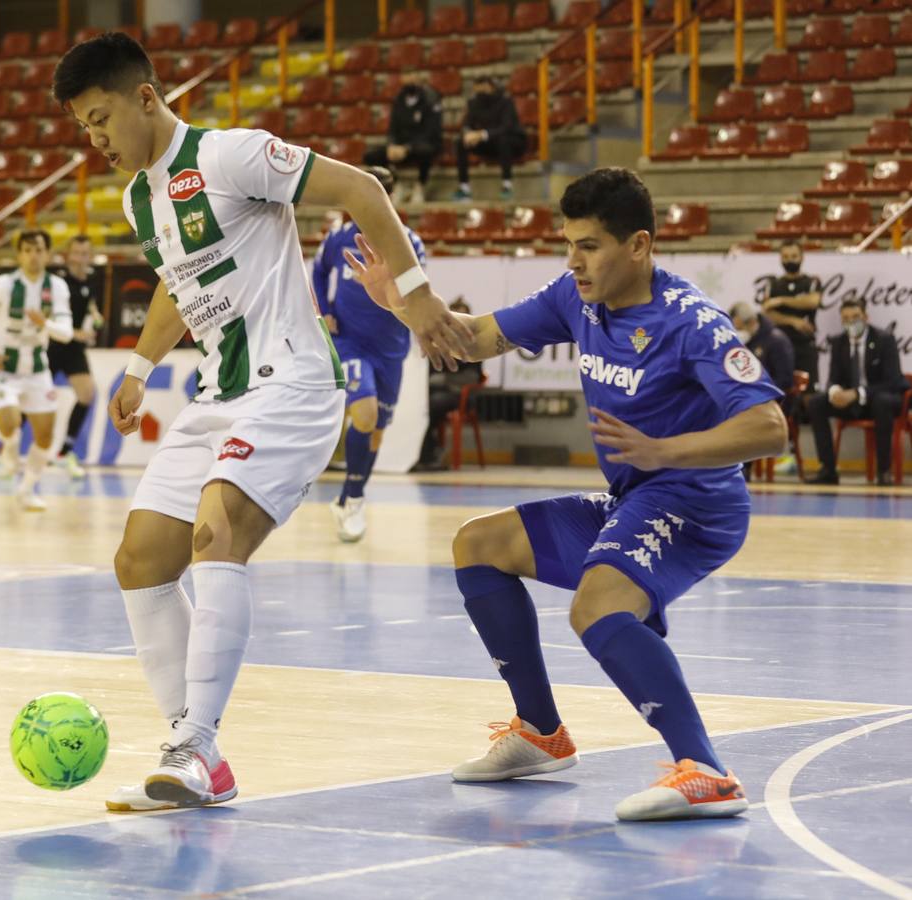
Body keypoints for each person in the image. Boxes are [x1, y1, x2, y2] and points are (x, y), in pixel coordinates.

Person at [53, 32, 468, 812]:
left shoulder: (232, 155)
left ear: (146, 97)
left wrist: (414, 296)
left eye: (102, 118)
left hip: (293, 385)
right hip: (217, 394)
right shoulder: (139, 197)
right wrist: (139, 368)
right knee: (140, 561)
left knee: (215, 534)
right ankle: (191, 744)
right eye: (83, 127)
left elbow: (361, 192)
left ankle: (195, 748)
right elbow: (181, 284)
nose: (95, 138)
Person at [347, 167, 787, 821]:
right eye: (568, 244)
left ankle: (707, 771)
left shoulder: (689, 321)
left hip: (696, 505)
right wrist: (403, 304)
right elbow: (473, 338)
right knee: (479, 544)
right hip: (635, 498)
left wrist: (666, 452)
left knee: (596, 606)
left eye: (590, 246)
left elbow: (768, 427)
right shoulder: (572, 298)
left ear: (637, 246)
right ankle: (539, 735)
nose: (574, 261)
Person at [312, 165, 428, 542]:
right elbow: (317, 272)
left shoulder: (408, 241)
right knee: (365, 412)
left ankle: (348, 497)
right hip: (349, 341)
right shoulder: (338, 238)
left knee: (375, 431)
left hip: (391, 349)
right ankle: (355, 499)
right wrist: (325, 309)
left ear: (387, 199)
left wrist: (425, 326)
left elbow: (418, 291)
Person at [0, 229, 74, 511]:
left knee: (45, 435)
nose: (33, 256)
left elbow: (66, 334)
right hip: (4, 368)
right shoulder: (2, 285)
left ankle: (27, 489)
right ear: (19, 254)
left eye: (39, 250)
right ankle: (9, 449)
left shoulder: (57, 287)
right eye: (28, 250)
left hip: (36, 368)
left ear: (48, 254)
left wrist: (45, 324)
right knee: (10, 423)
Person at [804, 299, 908, 486]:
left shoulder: (884, 339)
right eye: (846, 318)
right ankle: (828, 470)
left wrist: (857, 393)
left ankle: (884, 471)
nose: (851, 322)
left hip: (879, 400)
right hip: (850, 403)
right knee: (816, 402)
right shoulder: (838, 342)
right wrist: (835, 391)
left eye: (855, 317)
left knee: (882, 401)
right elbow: (834, 378)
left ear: (865, 317)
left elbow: (893, 381)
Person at [52, 233, 106, 478]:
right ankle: (6, 447)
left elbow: (91, 305)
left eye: (85, 254)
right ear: (68, 255)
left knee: (87, 394)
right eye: (76, 253)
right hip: (52, 345)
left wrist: (94, 317)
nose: (80, 258)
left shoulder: (93, 280)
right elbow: (46, 318)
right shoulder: (58, 282)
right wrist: (75, 332)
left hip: (74, 349)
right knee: (31, 397)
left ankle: (65, 452)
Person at [414, 298, 486, 471]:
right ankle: (416, 455)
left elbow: (471, 377)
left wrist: (443, 381)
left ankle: (428, 456)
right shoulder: (437, 342)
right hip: (435, 391)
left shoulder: (474, 343)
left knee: (433, 404)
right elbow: (428, 374)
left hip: (460, 395)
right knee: (418, 406)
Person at [362, 70, 444, 206]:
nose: (409, 83)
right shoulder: (399, 100)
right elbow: (393, 128)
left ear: (419, 80)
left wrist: (407, 148)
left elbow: (431, 132)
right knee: (370, 156)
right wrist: (392, 145)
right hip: (400, 146)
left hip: (421, 144)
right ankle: (397, 183)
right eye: (406, 80)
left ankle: (420, 186)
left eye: (412, 79)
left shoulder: (430, 99)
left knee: (427, 151)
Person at [454, 75, 527, 202]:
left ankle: (507, 185)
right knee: (460, 142)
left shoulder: (506, 102)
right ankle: (464, 187)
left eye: (483, 90)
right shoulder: (474, 103)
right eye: (477, 91)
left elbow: (507, 127)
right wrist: (468, 134)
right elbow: (467, 124)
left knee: (504, 140)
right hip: (489, 143)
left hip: (512, 141)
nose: (480, 94)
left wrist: (482, 134)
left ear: (491, 87)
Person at [760, 241, 821, 391]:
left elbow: (812, 301)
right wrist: (793, 320)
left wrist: (780, 300)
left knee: (809, 392)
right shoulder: (773, 284)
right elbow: (766, 311)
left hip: (805, 344)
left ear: (802, 257)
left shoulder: (811, 282)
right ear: (780, 258)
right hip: (779, 346)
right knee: (780, 390)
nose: (790, 260)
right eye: (786, 256)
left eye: (794, 256)